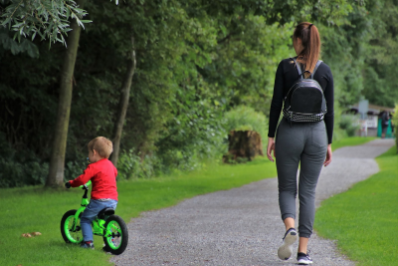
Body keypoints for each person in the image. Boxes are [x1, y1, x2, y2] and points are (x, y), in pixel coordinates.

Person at [266, 22, 334, 265]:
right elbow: (330, 111)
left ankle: (290, 227)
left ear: (298, 41)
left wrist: (271, 136)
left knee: (287, 188)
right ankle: (303, 253)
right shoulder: (325, 70)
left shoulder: (286, 66)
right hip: (317, 134)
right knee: (308, 192)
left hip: (290, 132)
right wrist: (329, 143)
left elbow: (276, 104)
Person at [65, 136, 118, 249]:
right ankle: (110, 244)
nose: (88, 156)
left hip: (99, 200)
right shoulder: (110, 165)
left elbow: (82, 180)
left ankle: (88, 243)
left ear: (94, 152)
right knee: (106, 220)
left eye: (88, 153)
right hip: (113, 200)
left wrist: (71, 183)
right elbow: (114, 173)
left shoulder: (93, 166)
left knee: (85, 219)